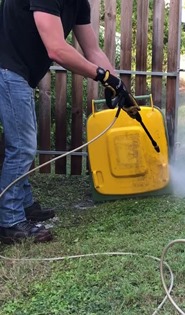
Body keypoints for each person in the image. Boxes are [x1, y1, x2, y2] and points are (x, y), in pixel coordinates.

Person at [0, 0, 139, 244]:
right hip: (6, 69)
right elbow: (56, 50)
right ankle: (10, 222)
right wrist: (102, 76)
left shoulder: (79, 4)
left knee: (24, 144)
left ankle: (24, 205)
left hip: (19, 74)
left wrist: (118, 85)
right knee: (21, 146)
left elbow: (93, 51)